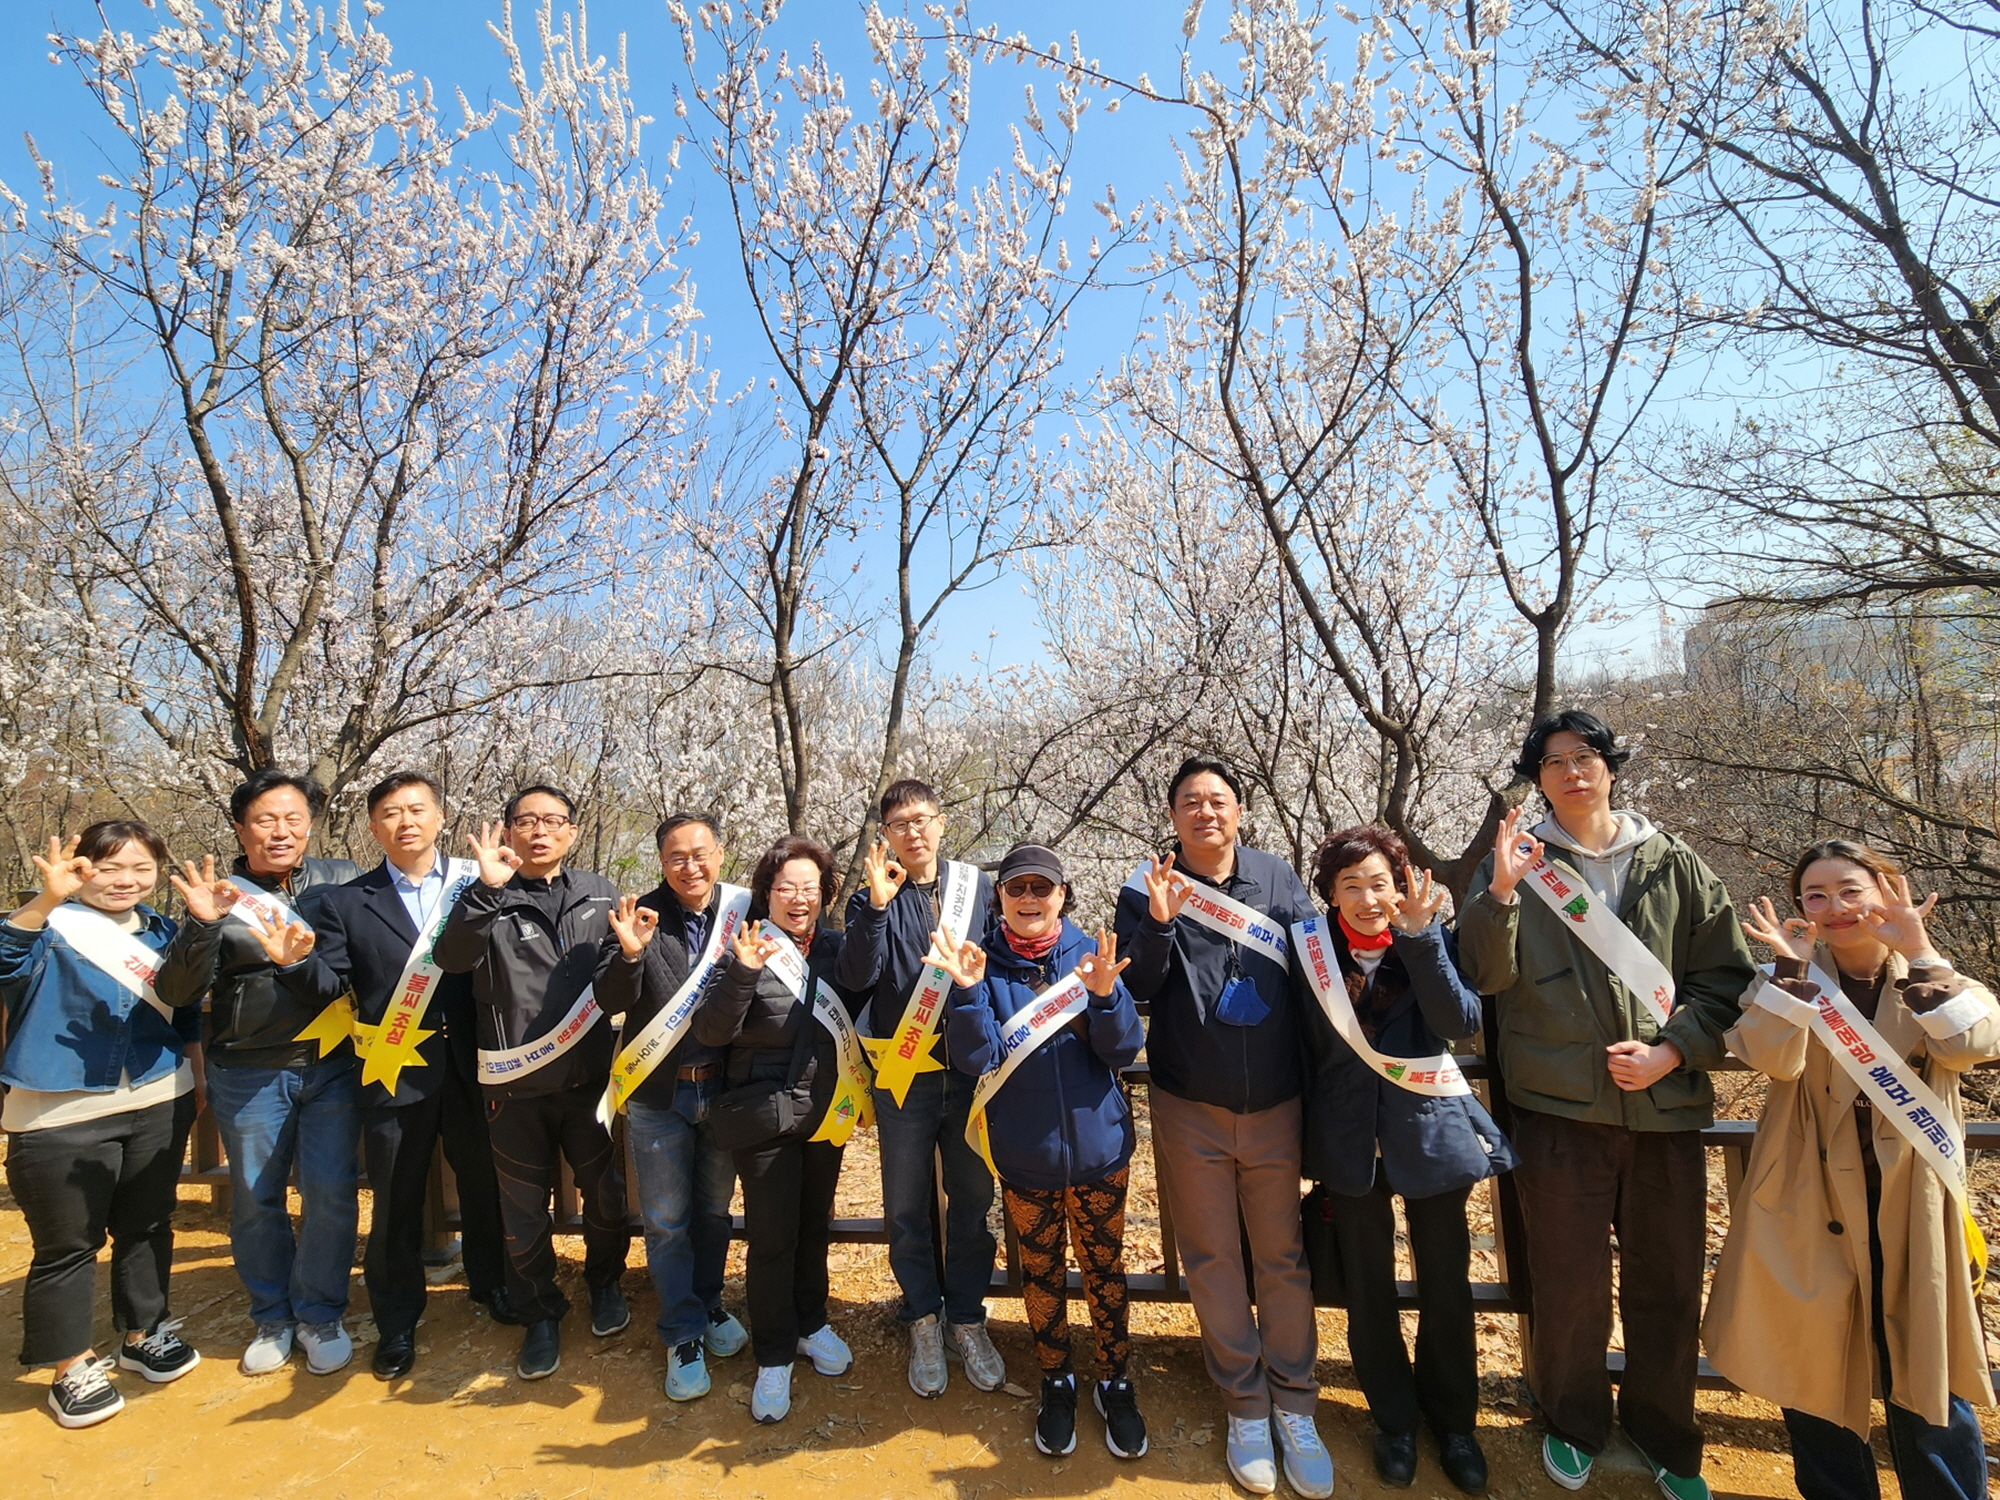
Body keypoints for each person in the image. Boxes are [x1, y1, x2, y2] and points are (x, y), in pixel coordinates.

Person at [1456, 711, 1754, 1500]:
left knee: (1668, 1278)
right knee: (1568, 1280)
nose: (1571, 771)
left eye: (1585, 756)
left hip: (1665, 1111)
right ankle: (1574, 1422)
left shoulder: (1675, 864)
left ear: (1611, 767)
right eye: (1553, 762)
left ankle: (1666, 1436)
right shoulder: (1522, 861)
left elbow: (1725, 978)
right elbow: (1483, 978)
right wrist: (1499, 894)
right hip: (1557, 1110)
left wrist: (1671, 1051)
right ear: (1537, 779)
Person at [1709, 841, 1996, 1500]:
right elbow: (1770, 1058)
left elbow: (1974, 1044)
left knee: (1929, 1369)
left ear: (1884, 890)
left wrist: (1921, 953)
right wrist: (1789, 969)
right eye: (1815, 895)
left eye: (1848, 889)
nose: (1833, 907)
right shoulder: (1787, 977)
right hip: (1807, 1198)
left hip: (1912, 1204)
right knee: (1813, 1366)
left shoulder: (1936, 976)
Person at [1113, 756, 1334, 1500]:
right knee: (1211, 1257)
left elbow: (1317, 971)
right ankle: (1245, 1405)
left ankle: (1295, 1404)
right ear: (1172, 816)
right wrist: (1159, 923)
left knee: (1281, 1256)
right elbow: (1137, 987)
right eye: (1189, 803)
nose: (1205, 812)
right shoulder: (1143, 888)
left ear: (1239, 810)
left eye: (1218, 800)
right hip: (1189, 1103)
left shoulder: (1276, 879)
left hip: (1275, 1102)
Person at [262, 771, 510, 1382]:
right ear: (374, 827)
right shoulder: (346, 900)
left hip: (477, 1065)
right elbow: (332, 984)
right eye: (391, 813)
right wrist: (296, 965)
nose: (406, 822)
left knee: (483, 1186)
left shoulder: (480, 882)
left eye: (417, 809)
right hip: (394, 1065)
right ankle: (397, 1319)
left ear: (440, 816)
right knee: (396, 1198)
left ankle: (494, 1286)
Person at [1298, 825, 1516, 1494]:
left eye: (1379, 884)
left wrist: (1421, 938)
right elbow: (1304, 1046)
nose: (1368, 899)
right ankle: (1392, 1419)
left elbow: (1460, 1021)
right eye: (1351, 886)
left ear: (1402, 886)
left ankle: (1454, 1424)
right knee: (1368, 1291)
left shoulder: (1429, 939)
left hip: (1427, 1134)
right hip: (1349, 1140)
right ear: (1331, 896)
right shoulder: (1310, 956)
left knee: (1445, 1285)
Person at [1, 825, 230, 1427]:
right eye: (109, 868)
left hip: (159, 1096)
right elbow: (3, 962)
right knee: (67, 1246)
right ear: (81, 868)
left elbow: (183, 1006)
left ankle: (143, 1332)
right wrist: (46, 899)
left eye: (141, 867)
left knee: (148, 1224)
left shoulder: (161, 930)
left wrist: (202, 929)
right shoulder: (46, 924)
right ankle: (71, 1364)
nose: (125, 880)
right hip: (59, 1112)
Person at [938, 842, 1147, 1461]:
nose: (1029, 898)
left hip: (1099, 1153)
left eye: (1042, 888)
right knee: (1042, 1271)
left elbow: (1123, 1049)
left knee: (1105, 1270)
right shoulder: (981, 963)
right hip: (1025, 1154)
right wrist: (970, 992)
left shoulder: (1091, 955)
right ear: (1000, 896)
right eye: (1016, 888)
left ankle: (1115, 1379)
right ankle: (1056, 1379)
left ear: (1063, 895)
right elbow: (975, 1061)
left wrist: (1106, 997)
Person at [434, 785, 631, 1381]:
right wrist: (486, 891)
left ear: (571, 831)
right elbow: (451, 959)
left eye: (553, 821)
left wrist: (628, 958)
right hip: (512, 1088)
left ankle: (604, 1285)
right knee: (522, 1210)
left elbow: (617, 989)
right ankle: (539, 1312)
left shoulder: (600, 894)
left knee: (604, 1197)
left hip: (588, 1083)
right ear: (510, 830)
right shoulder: (482, 895)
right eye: (527, 821)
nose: (540, 831)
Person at [194, 768, 366, 1379]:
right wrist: (201, 925)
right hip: (249, 1067)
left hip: (332, 1065)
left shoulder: (343, 879)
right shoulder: (217, 894)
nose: (281, 831)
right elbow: (184, 986)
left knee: (330, 1191)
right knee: (255, 1197)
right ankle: (271, 1314)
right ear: (241, 828)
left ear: (311, 824)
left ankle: (320, 1312)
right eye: (265, 820)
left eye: (293, 819)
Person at [836, 778, 1005, 1398]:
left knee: (971, 1198)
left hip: (967, 1074)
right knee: (905, 1205)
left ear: (941, 823)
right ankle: (923, 1317)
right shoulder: (869, 900)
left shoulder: (978, 889)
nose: (913, 831)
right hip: (901, 1076)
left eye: (922, 819)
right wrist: (877, 909)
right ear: (885, 835)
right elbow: (855, 978)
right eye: (899, 824)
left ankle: (966, 1316)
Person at [692, 834, 867, 1424]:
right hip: (764, 1117)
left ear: (825, 895)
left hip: (822, 1114)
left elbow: (866, 985)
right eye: (786, 887)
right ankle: (772, 1353)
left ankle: (810, 1323)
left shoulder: (837, 949)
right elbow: (713, 1031)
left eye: (810, 888)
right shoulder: (743, 948)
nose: (799, 898)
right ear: (766, 892)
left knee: (813, 1226)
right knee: (772, 1237)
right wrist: (742, 972)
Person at [595, 811, 750, 1402]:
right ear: (661, 861)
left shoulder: (741, 914)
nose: (692, 865)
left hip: (724, 1089)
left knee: (713, 1211)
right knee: (665, 1220)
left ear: (720, 854)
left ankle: (709, 1304)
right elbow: (607, 996)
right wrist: (629, 955)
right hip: (660, 1094)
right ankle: (681, 1330)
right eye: (677, 856)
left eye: (702, 852)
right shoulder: (640, 915)